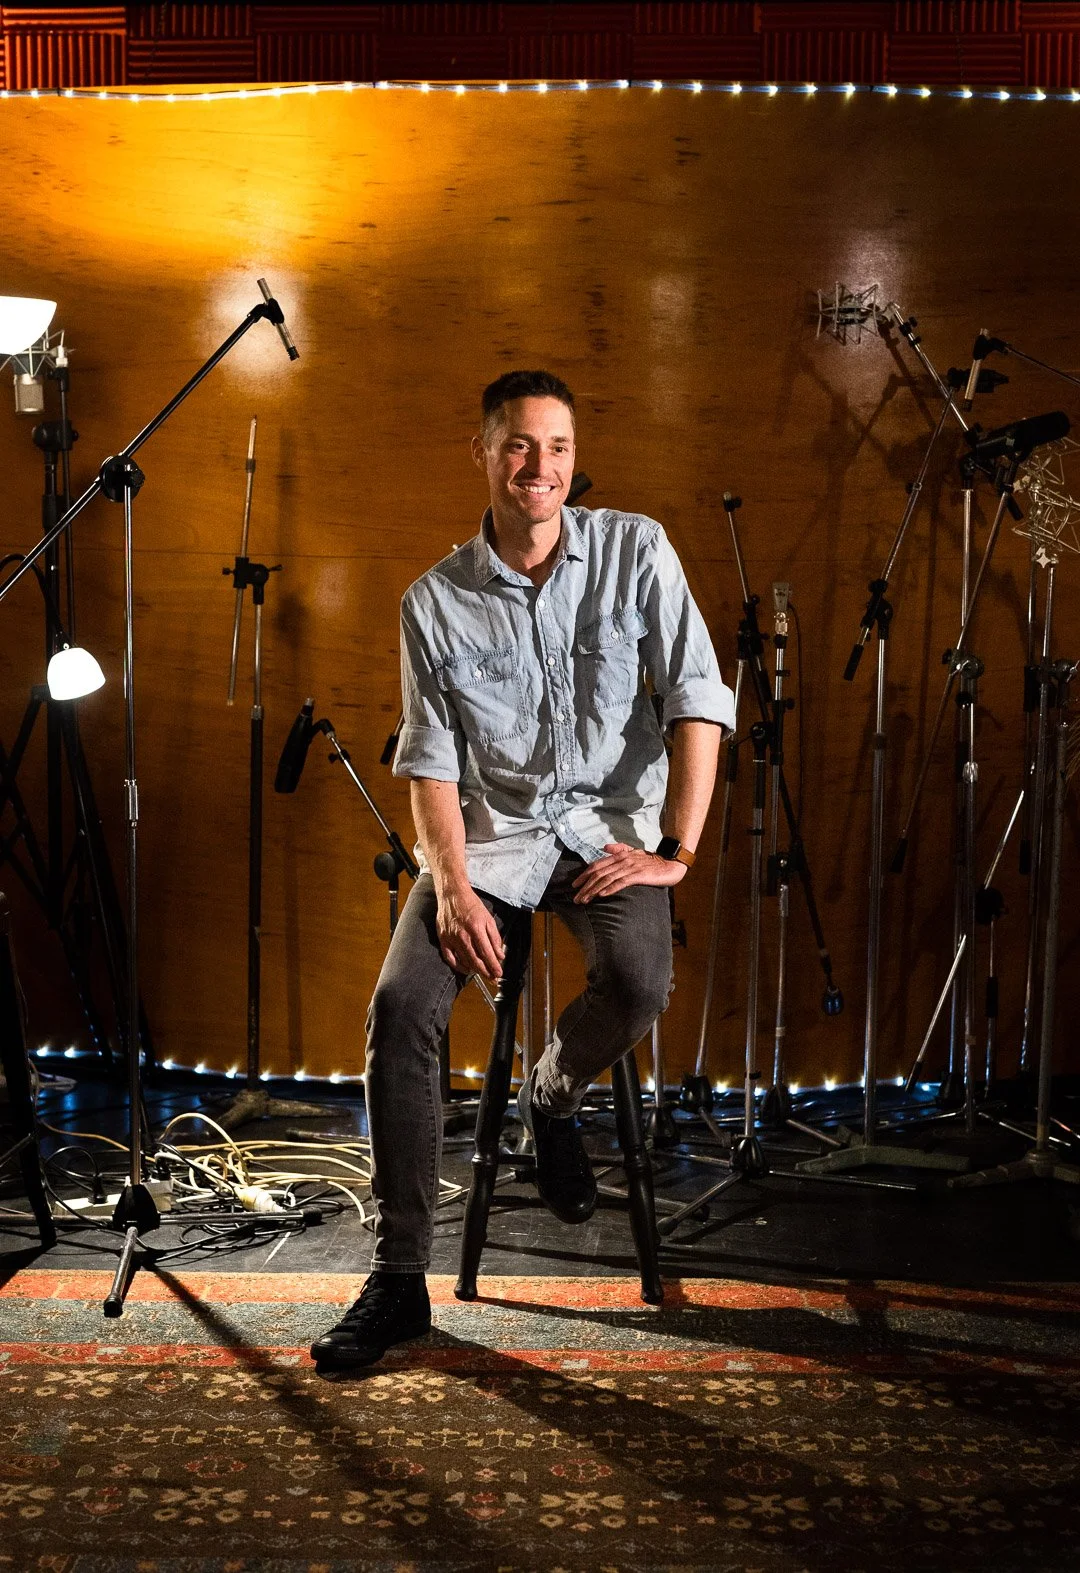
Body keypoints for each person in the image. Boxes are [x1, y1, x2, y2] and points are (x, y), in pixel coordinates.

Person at [310, 370, 735, 1370]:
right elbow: (431, 763)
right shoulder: (433, 600)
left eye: (555, 447)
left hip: (607, 833)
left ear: (574, 458)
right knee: (401, 1005)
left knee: (637, 979)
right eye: (517, 445)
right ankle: (400, 1275)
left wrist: (678, 848)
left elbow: (699, 697)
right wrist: (453, 888)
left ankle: (551, 1093)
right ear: (484, 452)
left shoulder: (639, 550)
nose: (538, 468)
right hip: (488, 840)